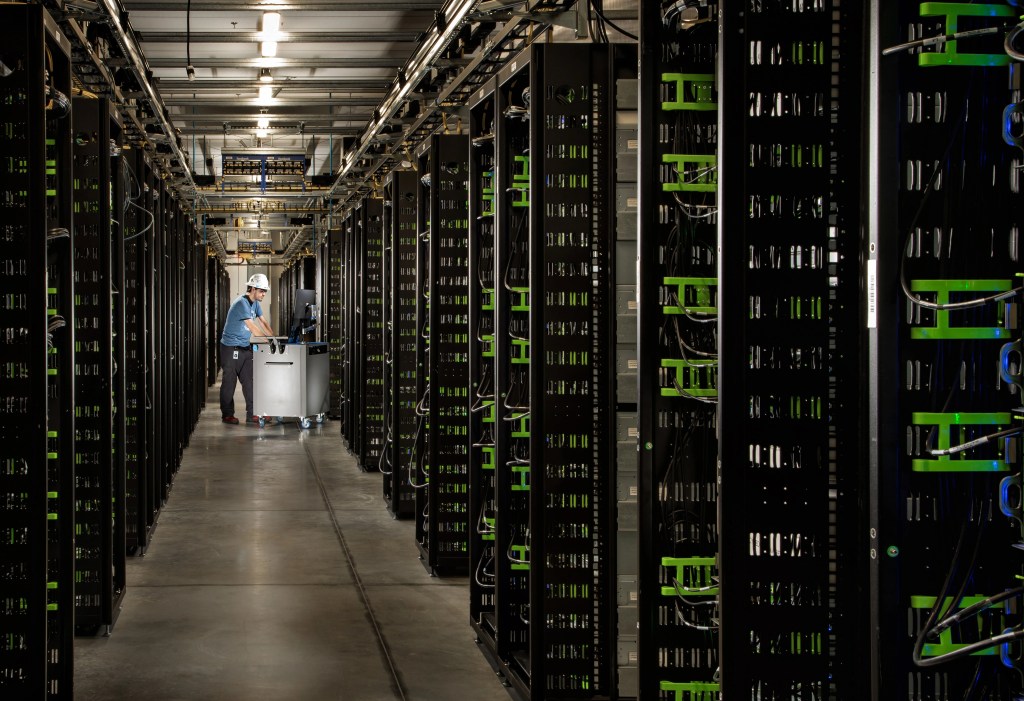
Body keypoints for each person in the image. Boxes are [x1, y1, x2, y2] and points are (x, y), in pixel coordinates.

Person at [219, 273, 275, 424]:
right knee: (229, 383)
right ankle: (227, 415)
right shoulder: (241, 303)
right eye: (262, 290)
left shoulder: (255, 303)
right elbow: (253, 328)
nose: (264, 293)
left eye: (265, 291)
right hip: (230, 348)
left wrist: (274, 338)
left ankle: (253, 414)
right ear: (253, 288)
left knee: (250, 381)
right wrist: (268, 341)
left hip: (244, 347)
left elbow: (263, 323)